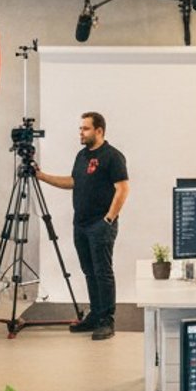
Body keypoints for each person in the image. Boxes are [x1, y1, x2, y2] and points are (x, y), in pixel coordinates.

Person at [34, 112, 128, 340]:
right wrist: (42, 176)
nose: (81, 133)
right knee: (89, 272)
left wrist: (109, 219)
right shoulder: (81, 156)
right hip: (81, 225)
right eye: (80, 129)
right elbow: (74, 182)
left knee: (103, 272)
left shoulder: (112, 156)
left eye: (85, 129)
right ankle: (95, 315)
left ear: (99, 131)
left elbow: (122, 189)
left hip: (100, 224)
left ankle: (107, 320)